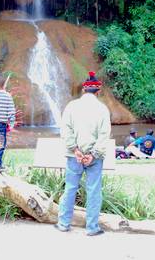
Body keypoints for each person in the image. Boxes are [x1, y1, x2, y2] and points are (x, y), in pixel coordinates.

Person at [55, 71, 111, 236]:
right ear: (98, 91)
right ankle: (92, 228)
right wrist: (93, 154)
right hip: (94, 158)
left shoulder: (71, 106)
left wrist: (75, 150)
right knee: (94, 190)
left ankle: (63, 224)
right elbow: (104, 135)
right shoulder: (102, 109)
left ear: (84, 90)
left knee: (70, 188)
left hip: (74, 156)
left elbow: (65, 130)